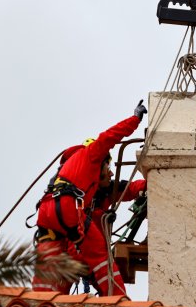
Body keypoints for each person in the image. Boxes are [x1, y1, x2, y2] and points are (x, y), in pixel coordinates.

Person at [32, 100, 147, 294]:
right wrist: (134, 119)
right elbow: (110, 137)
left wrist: (149, 184)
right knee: (101, 257)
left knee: (50, 263)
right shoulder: (92, 155)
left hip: (48, 212)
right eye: (108, 167)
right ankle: (118, 301)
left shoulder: (84, 184)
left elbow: (128, 188)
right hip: (70, 216)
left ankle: (41, 304)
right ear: (101, 163)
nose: (110, 173)